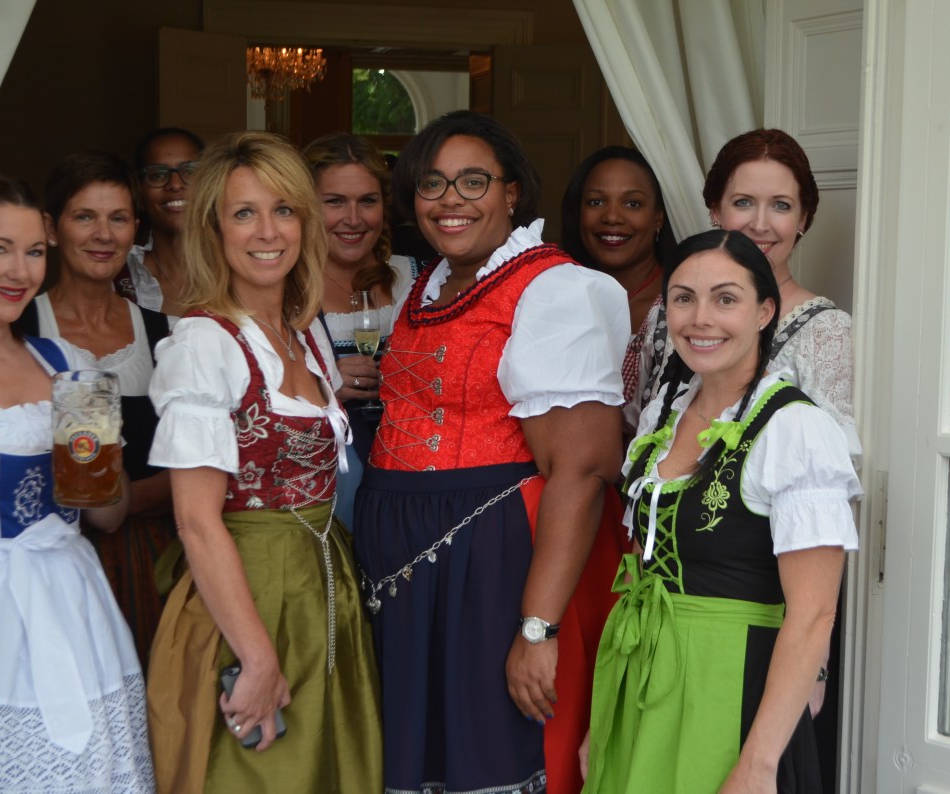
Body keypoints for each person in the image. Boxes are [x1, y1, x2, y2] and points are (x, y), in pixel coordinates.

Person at [352, 110, 631, 794]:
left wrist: (537, 628)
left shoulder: (554, 290)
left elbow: (582, 470)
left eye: (473, 181)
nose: (449, 199)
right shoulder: (431, 283)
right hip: (410, 572)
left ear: (512, 192)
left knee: (491, 755)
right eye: (432, 183)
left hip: (493, 566)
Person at [581, 229, 861, 793]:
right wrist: (603, 717)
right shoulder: (665, 413)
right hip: (645, 677)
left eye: (725, 298)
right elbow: (642, 563)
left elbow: (814, 614)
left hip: (731, 687)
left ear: (764, 312)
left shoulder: (795, 430)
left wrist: (758, 765)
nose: (700, 318)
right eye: (683, 298)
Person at [144, 131, 381, 793]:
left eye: (283, 210)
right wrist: (254, 657)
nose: (268, 231)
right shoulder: (204, 343)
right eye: (244, 213)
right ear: (213, 229)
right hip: (250, 598)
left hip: (321, 590)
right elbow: (196, 522)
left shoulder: (302, 334)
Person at [0, 175, 154, 791]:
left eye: (34, 251)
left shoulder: (67, 365)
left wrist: (98, 470)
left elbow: (107, 516)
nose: (19, 271)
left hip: (76, 604)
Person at [15, 150, 175, 666]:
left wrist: (120, 502)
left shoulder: (165, 335)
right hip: (46, 561)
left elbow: (198, 466)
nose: (103, 234)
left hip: (155, 559)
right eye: (85, 216)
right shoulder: (18, 332)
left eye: (118, 218)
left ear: (135, 229)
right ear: (51, 228)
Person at [700, 127, 859, 460]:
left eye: (781, 205)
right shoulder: (671, 312)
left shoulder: (825, 331)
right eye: (743, 202)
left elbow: (831, 462)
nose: (760, 224)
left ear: (803, 218)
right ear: (715, 210)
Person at [303, 132, 416, 527]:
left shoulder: (419, 280)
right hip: (329, 485)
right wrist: (323, 389)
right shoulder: (288, 292)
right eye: (334, 201)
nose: (353, 219)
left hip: (413, 477)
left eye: (367, 201)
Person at [562, 146, 678, 436]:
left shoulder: (682, 304)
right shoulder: (556, 299)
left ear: (658, 218)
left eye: (633, 204)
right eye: (596, 201)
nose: (612, 217)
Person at [116, 127, 205, 315]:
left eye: (190, 171)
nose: (175, 184)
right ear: (139, 192)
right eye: (157, 174)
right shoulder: (118, 274)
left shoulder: (238, 268)